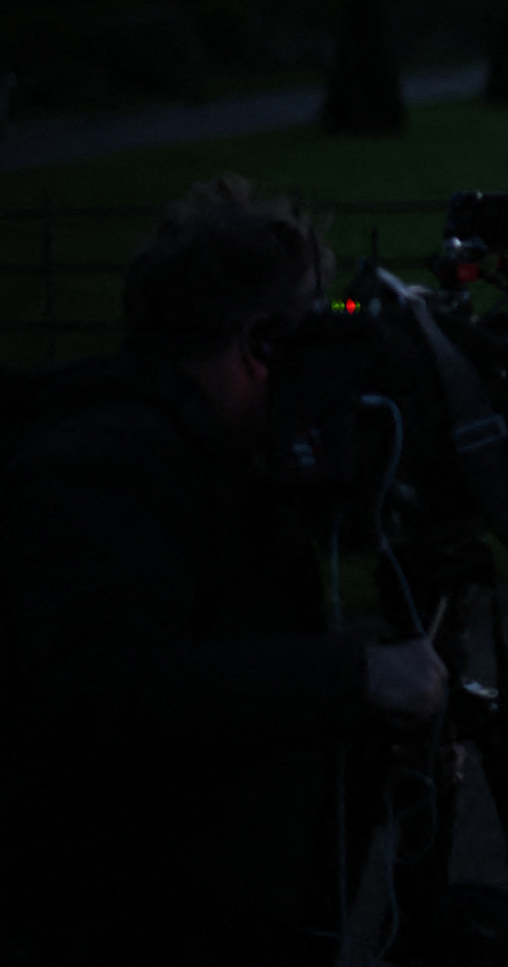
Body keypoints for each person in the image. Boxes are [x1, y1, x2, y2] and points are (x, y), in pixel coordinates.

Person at [0, 177, 449, 966]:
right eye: (318, 328)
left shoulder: (215, 452)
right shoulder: (107, 469)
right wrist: (352, 680)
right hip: (124, 921)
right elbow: (97, 688)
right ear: (259, 344)